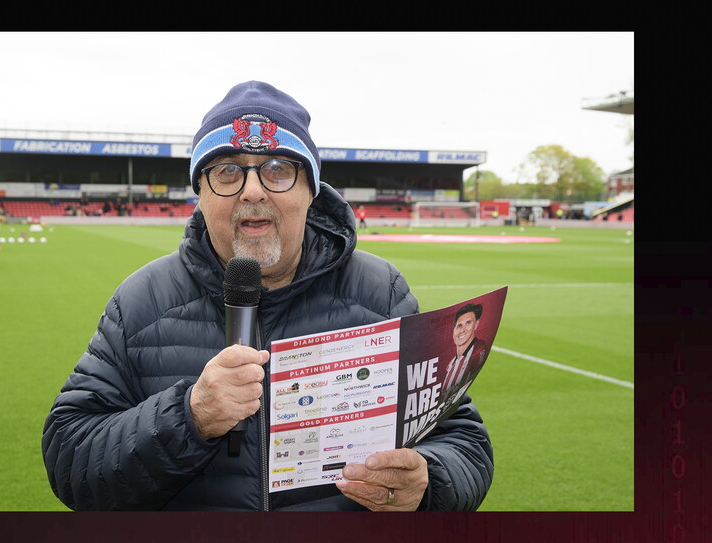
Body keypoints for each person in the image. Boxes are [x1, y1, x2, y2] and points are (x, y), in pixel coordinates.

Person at [41, 81, 493, 511]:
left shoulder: (380, 293)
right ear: (200, 193)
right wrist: (189, 416)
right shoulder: (141, 301)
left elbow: (463, 442)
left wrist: (427, 482)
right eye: (226, 171)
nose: (253, 190)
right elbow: (71, 463)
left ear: (310, 191)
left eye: (278, 169)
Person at [442, 303, 489, 403]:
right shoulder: (450, 365)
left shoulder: (478, 349)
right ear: (453, 331)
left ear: (476, 324)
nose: (463, 330)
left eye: (468, 323)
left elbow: (480, 351)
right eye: (459, 325)